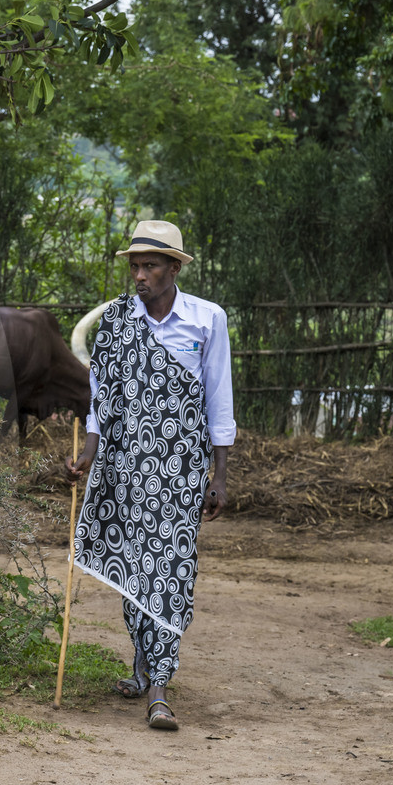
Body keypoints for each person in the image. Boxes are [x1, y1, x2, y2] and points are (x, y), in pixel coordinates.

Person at [65, 220, 233, 731]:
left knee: (171, 569)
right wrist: (88, 456)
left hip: (180, 471)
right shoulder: (116, 322)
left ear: (174, 267)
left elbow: (218, 398)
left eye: (150, 265)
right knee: (136, 566)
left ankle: (159, 686)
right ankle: (141, 667)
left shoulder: (207, 320)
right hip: (123, 468)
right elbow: (103, 402)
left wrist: (219, 474)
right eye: (134, 266)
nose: (139, 275)